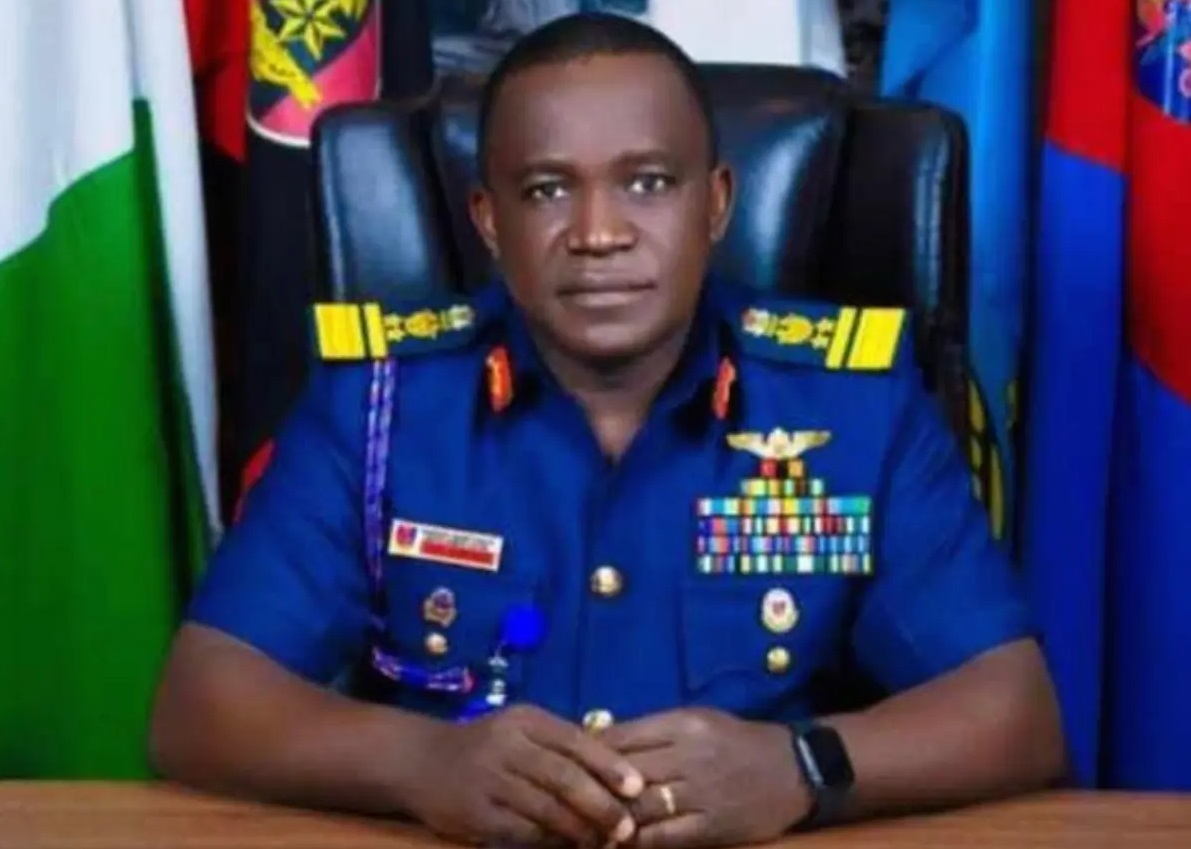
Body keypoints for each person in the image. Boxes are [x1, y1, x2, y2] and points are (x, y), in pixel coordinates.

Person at [149, 12, 1065, 849]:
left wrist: (801, 766)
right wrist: (423, 763)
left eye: (647, 183)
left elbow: (1014, 710)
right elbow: (202, 702)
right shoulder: (380, 404)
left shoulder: (850, 406)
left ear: (715, 204)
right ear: (489, 221)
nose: (597, 233)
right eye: (548, 189)